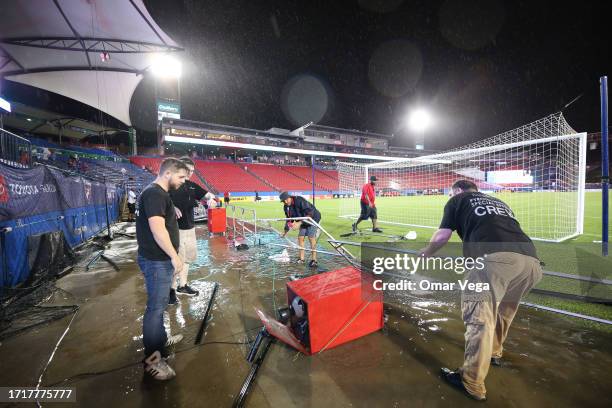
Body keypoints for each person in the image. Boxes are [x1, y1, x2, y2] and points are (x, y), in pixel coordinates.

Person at [420, 180, 542, 401]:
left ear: (457, 190)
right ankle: (494, 352)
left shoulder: (457, 200)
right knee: (504, 313)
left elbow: (442, 236)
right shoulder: (498, 201)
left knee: (479, 320)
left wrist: (427, 252)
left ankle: (472, 382)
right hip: (530, 263)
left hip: (493, 261)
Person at [136, 157, 189, 380]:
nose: (184, 181)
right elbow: (158, 230)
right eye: (181, 176)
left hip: (158, 261)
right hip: (158, 262)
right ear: (167, 173)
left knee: (159, 308)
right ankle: (153, 361)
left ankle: (160, 340)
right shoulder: (155, 193)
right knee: (155, 310)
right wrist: (175, 258)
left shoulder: (157, 194)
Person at [168, 157, 208, 303]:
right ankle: (170, 290)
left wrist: (211, 199)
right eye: (187, 170)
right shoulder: (171, 184)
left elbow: (207, 195)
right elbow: (160, 200)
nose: (189, 173)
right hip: (175, 229)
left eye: (192, 171)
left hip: (190, 229)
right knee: (176, 262)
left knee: (187, 261)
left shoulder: (191, 185)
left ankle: (182, 286)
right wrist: (171, 206)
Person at [279, 191, 321, 267]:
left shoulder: (299, 201)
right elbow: (289, 220)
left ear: (290, 197)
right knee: (300, 237)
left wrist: (299, 223)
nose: (285, 202)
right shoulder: (286, 207)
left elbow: (310, 213)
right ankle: (301, 259)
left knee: (311, 237)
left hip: (313, 218)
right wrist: (285, 232)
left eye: (286, 199)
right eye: (283, 201)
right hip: (303, 220)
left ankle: (314, 260)